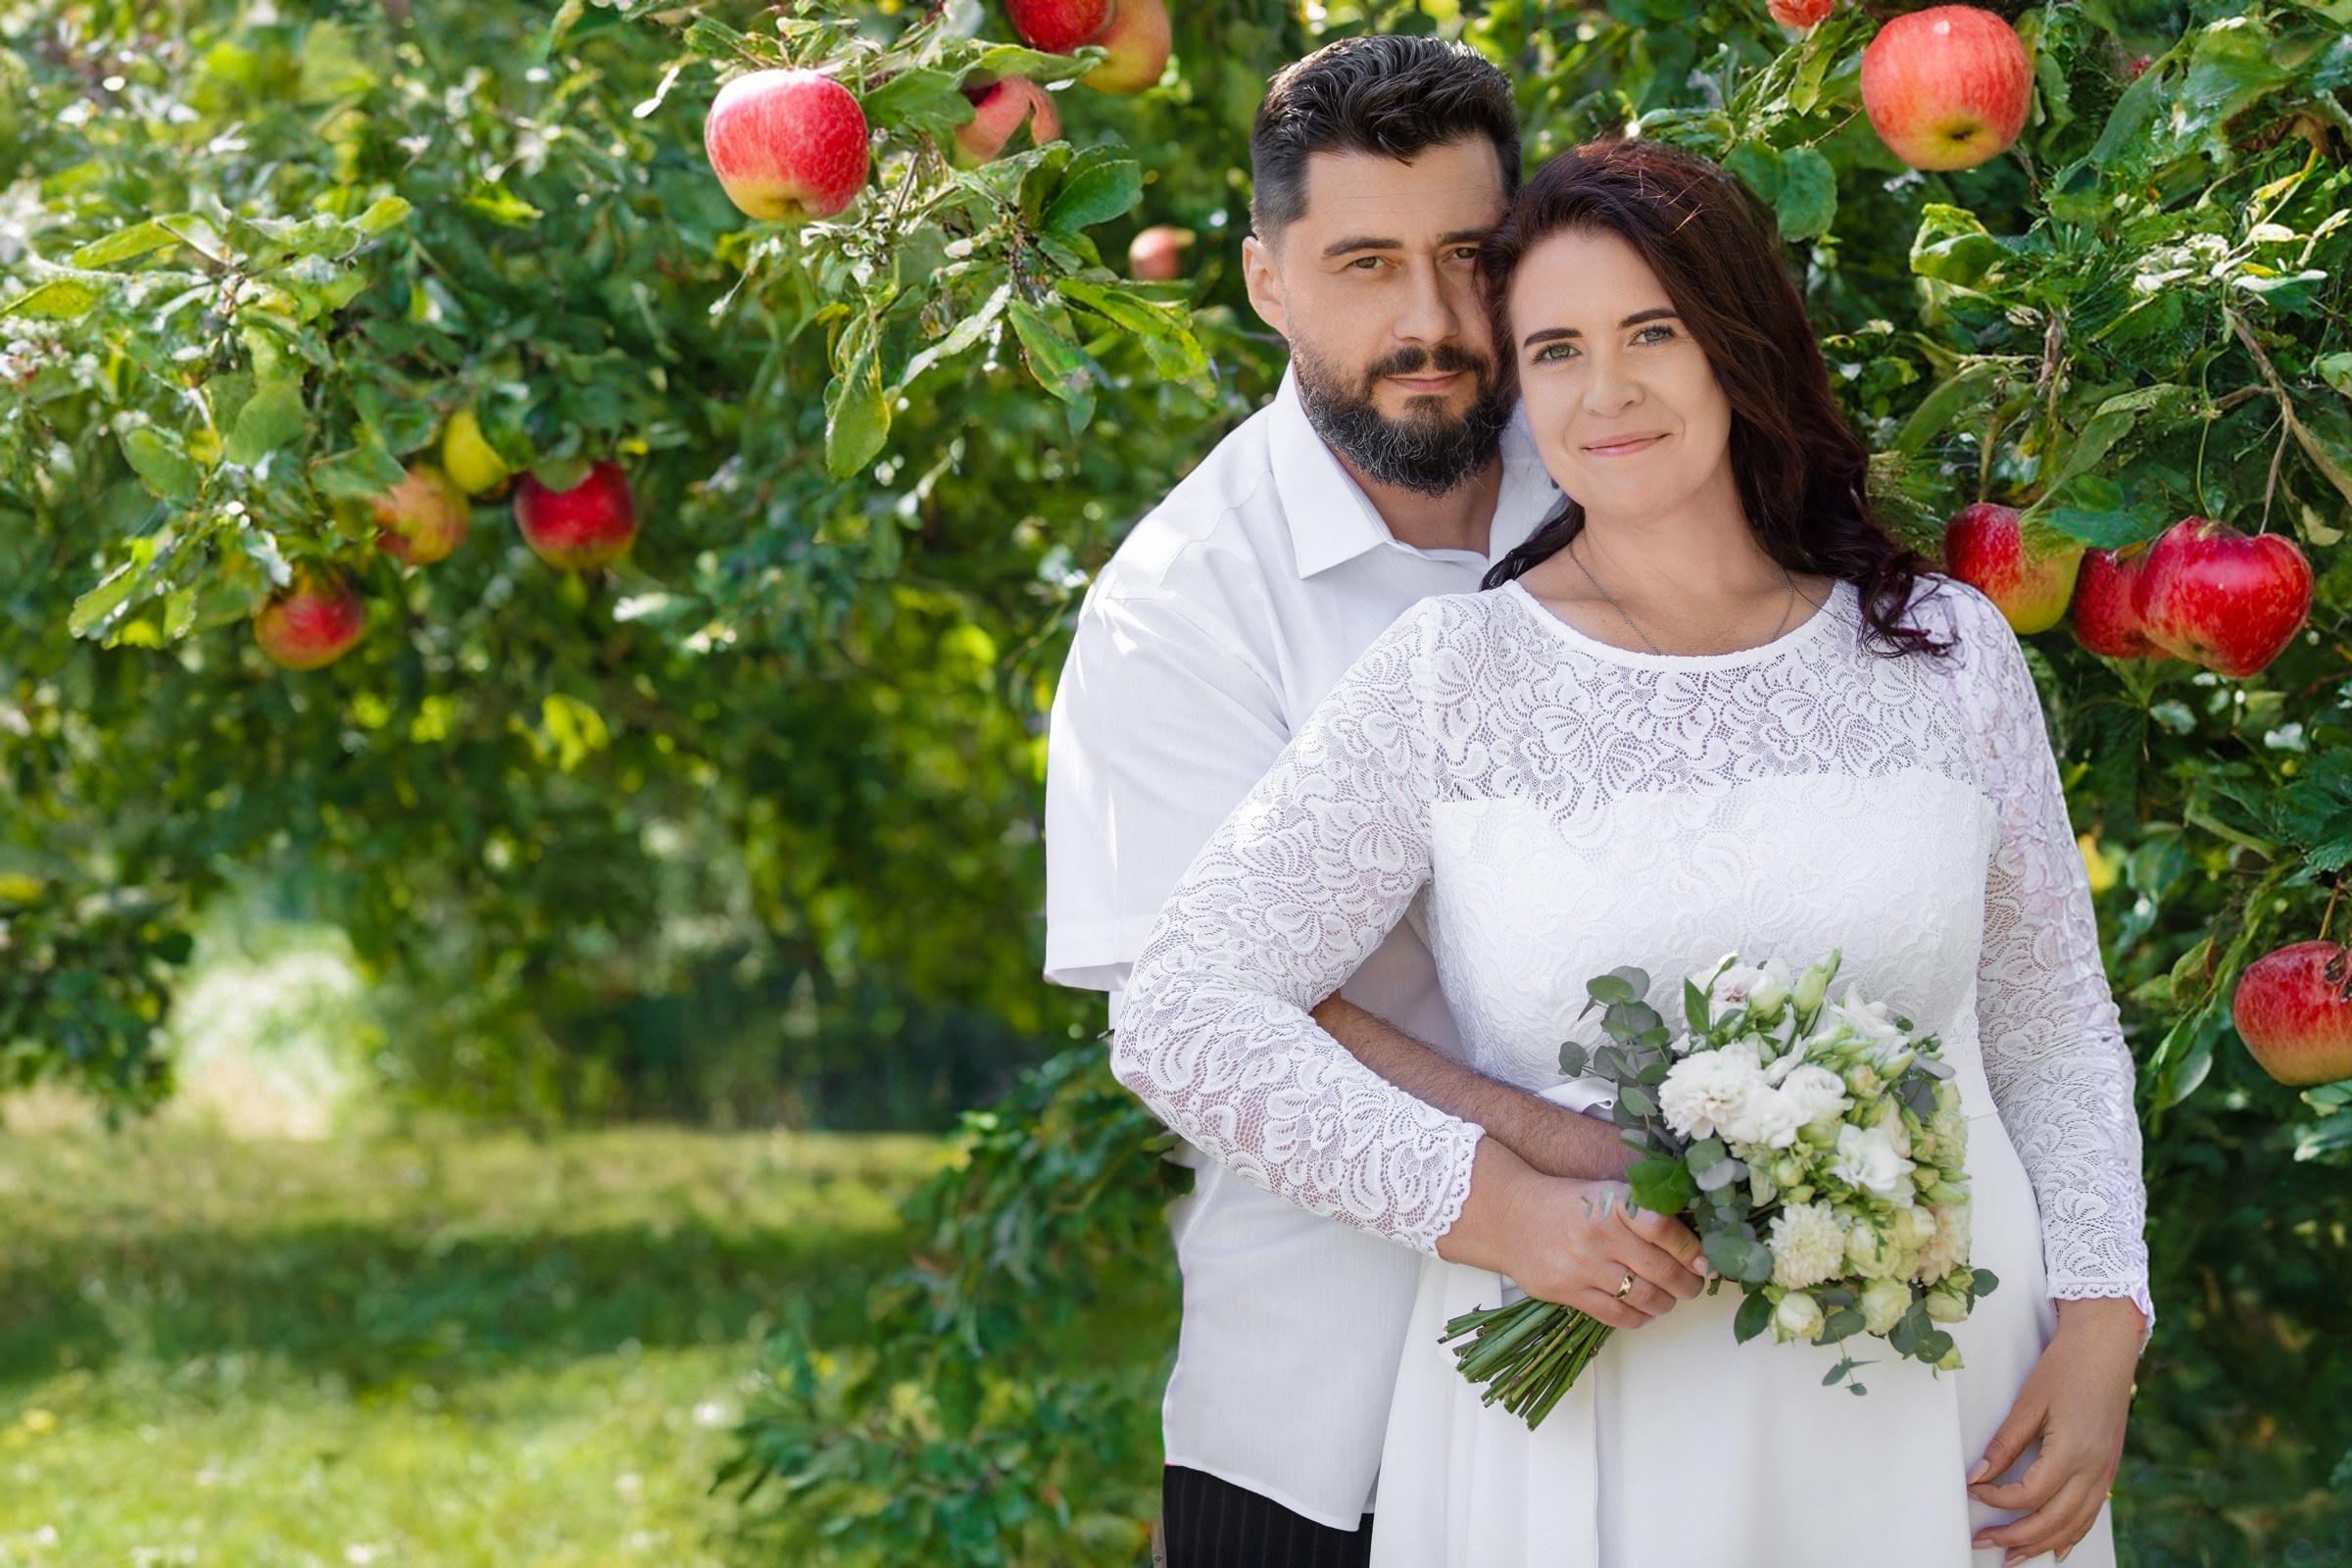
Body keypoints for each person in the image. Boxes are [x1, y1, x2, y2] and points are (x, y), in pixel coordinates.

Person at [1112, 138, 2152, 1567]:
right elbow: (1179, 1012)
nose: (1606, 392)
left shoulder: (1947, 654)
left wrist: (2106, 1316)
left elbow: (2052, 1026)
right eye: (1554, 349)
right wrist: (1499, 1213)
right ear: (1520, 386)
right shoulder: (1449, 681)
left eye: (1651, 332)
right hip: (1588, 1414)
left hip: (1943, 1402)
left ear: (1738, 344)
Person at [1045, 37, 1710, 1568]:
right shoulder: (1179, 607)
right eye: (1362, 264)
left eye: (1469, 258)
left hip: (1683, 1388)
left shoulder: (1646, 480)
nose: (1427, 323)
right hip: (1331, 1418)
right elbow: (1214, 1015)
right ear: (1269, 280)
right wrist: (1578, 1167)